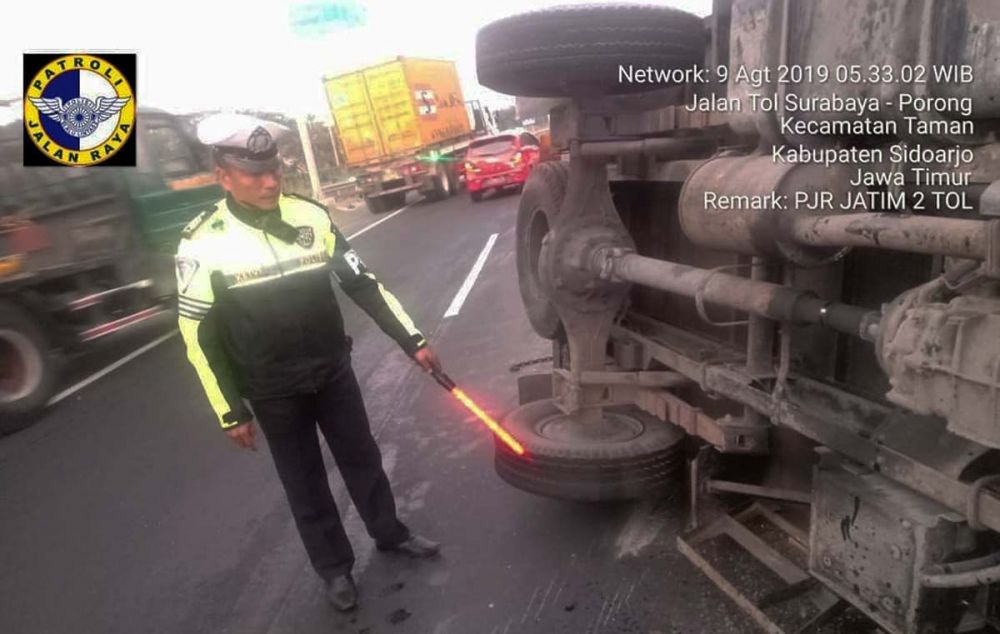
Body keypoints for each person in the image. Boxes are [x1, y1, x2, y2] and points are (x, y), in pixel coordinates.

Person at [176, 113, 442, 612]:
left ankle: (389, 532)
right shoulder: (201, 241)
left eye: (274, 169)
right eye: (255, 174)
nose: (271, 181)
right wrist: (229, 409)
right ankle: (335, 569)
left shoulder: (311, 216)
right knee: (305, 482)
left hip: (331, 369)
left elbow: (363, 282)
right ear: (223, 176)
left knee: (362, 457)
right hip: (272, 387)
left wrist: (412, 339)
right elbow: (197, 333)